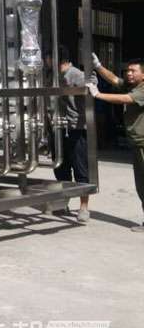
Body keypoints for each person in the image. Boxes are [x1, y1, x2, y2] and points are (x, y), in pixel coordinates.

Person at [89, 55, 144, 232]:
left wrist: (98, 95)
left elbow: (125, 99)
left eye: (133, 71)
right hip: (137, 143)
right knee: (141, 185)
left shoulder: (142, 89)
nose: (129, 74)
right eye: (128, 70)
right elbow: (114, 79)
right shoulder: (132, 85)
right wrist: (98, 66)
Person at [52, 46, 90, 223]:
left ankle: (84, 207)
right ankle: (64, 203)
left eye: (48, 59)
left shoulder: (76, 74)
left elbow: (92, 84)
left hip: (76, 128)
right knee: (61, 167)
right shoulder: (52, 75)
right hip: (57, 127)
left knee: (80, 168)